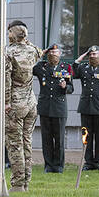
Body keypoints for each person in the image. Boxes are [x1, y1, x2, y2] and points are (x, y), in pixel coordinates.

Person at [4, 20, 41, 192]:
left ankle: (18, 184)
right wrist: (25, 39)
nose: (7, 35)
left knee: (15, 144)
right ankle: (26, 182)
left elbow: (6, 80)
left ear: (13, 33)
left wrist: (6, 102)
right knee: (27, 142)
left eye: (9, 32)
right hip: (31, 102)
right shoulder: (33, 50)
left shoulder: (8, 52)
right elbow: (39, 51)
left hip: (16, 103)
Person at [33, 43, 74, 173]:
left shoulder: (66, 67)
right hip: (45, 107)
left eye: (55, 52)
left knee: (59, 139)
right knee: (46, 139)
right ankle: (48, 165)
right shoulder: (41, 67)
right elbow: (30, 67)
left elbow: (71, 88)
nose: (52, 54)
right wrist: (41, 53)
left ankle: (58, 166)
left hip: (59, 107)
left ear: (60, 54)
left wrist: (65, 87)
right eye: (50, 52)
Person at [73, 45, 99, 171]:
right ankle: (88, 162)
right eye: (90, 54)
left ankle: (98, 162)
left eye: (95, 54)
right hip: (86, 106)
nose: (92, 56)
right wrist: (80, 58)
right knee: (86, 135)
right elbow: (73, 72)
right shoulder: (83, 68)